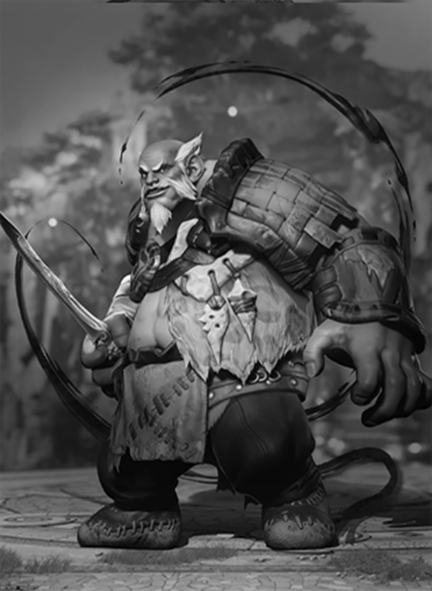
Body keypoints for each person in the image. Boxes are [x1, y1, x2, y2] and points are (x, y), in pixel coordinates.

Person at [78, 134, 428, 550]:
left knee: (262, 449)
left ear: (192, 166)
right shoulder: (151, 223)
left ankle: (295, 493)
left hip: (241, 368)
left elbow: (347, 239)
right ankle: (145, 509)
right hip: (156, 376)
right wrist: (116, 325)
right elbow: (135, 286)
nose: (151, 181)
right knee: (125, 471)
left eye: (162, 171)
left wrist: (370, 313)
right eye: (144, 174)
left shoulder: (262, 189)